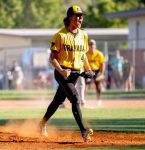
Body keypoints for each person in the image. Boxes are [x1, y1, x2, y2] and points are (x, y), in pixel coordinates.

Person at [39, 5, 94, 143]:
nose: (80, 18)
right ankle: (84, 131)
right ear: (70, 17)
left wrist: (89, 69)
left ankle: (42, 123)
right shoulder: (60, 36)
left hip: (75, 73)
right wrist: (62, 71)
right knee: (75, 98)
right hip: (62, 72)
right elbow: (52, 58)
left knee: (58, 100)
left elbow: (83, 55)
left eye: (81, 16)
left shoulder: (84, 35)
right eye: (77, 15)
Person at [85, 39, 106, 105]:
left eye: (93, 46)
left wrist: (101, 72)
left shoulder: (99, 54)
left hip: (97, 71)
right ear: (88, 47)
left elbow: (102, 64)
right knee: (86, 84)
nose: (91, 48)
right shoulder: (86, 54)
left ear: (95, 46)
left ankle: (98, 99)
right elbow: (83, 63)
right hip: (89, 71)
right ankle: (83, 99)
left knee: (98, 85)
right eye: (90, 46)